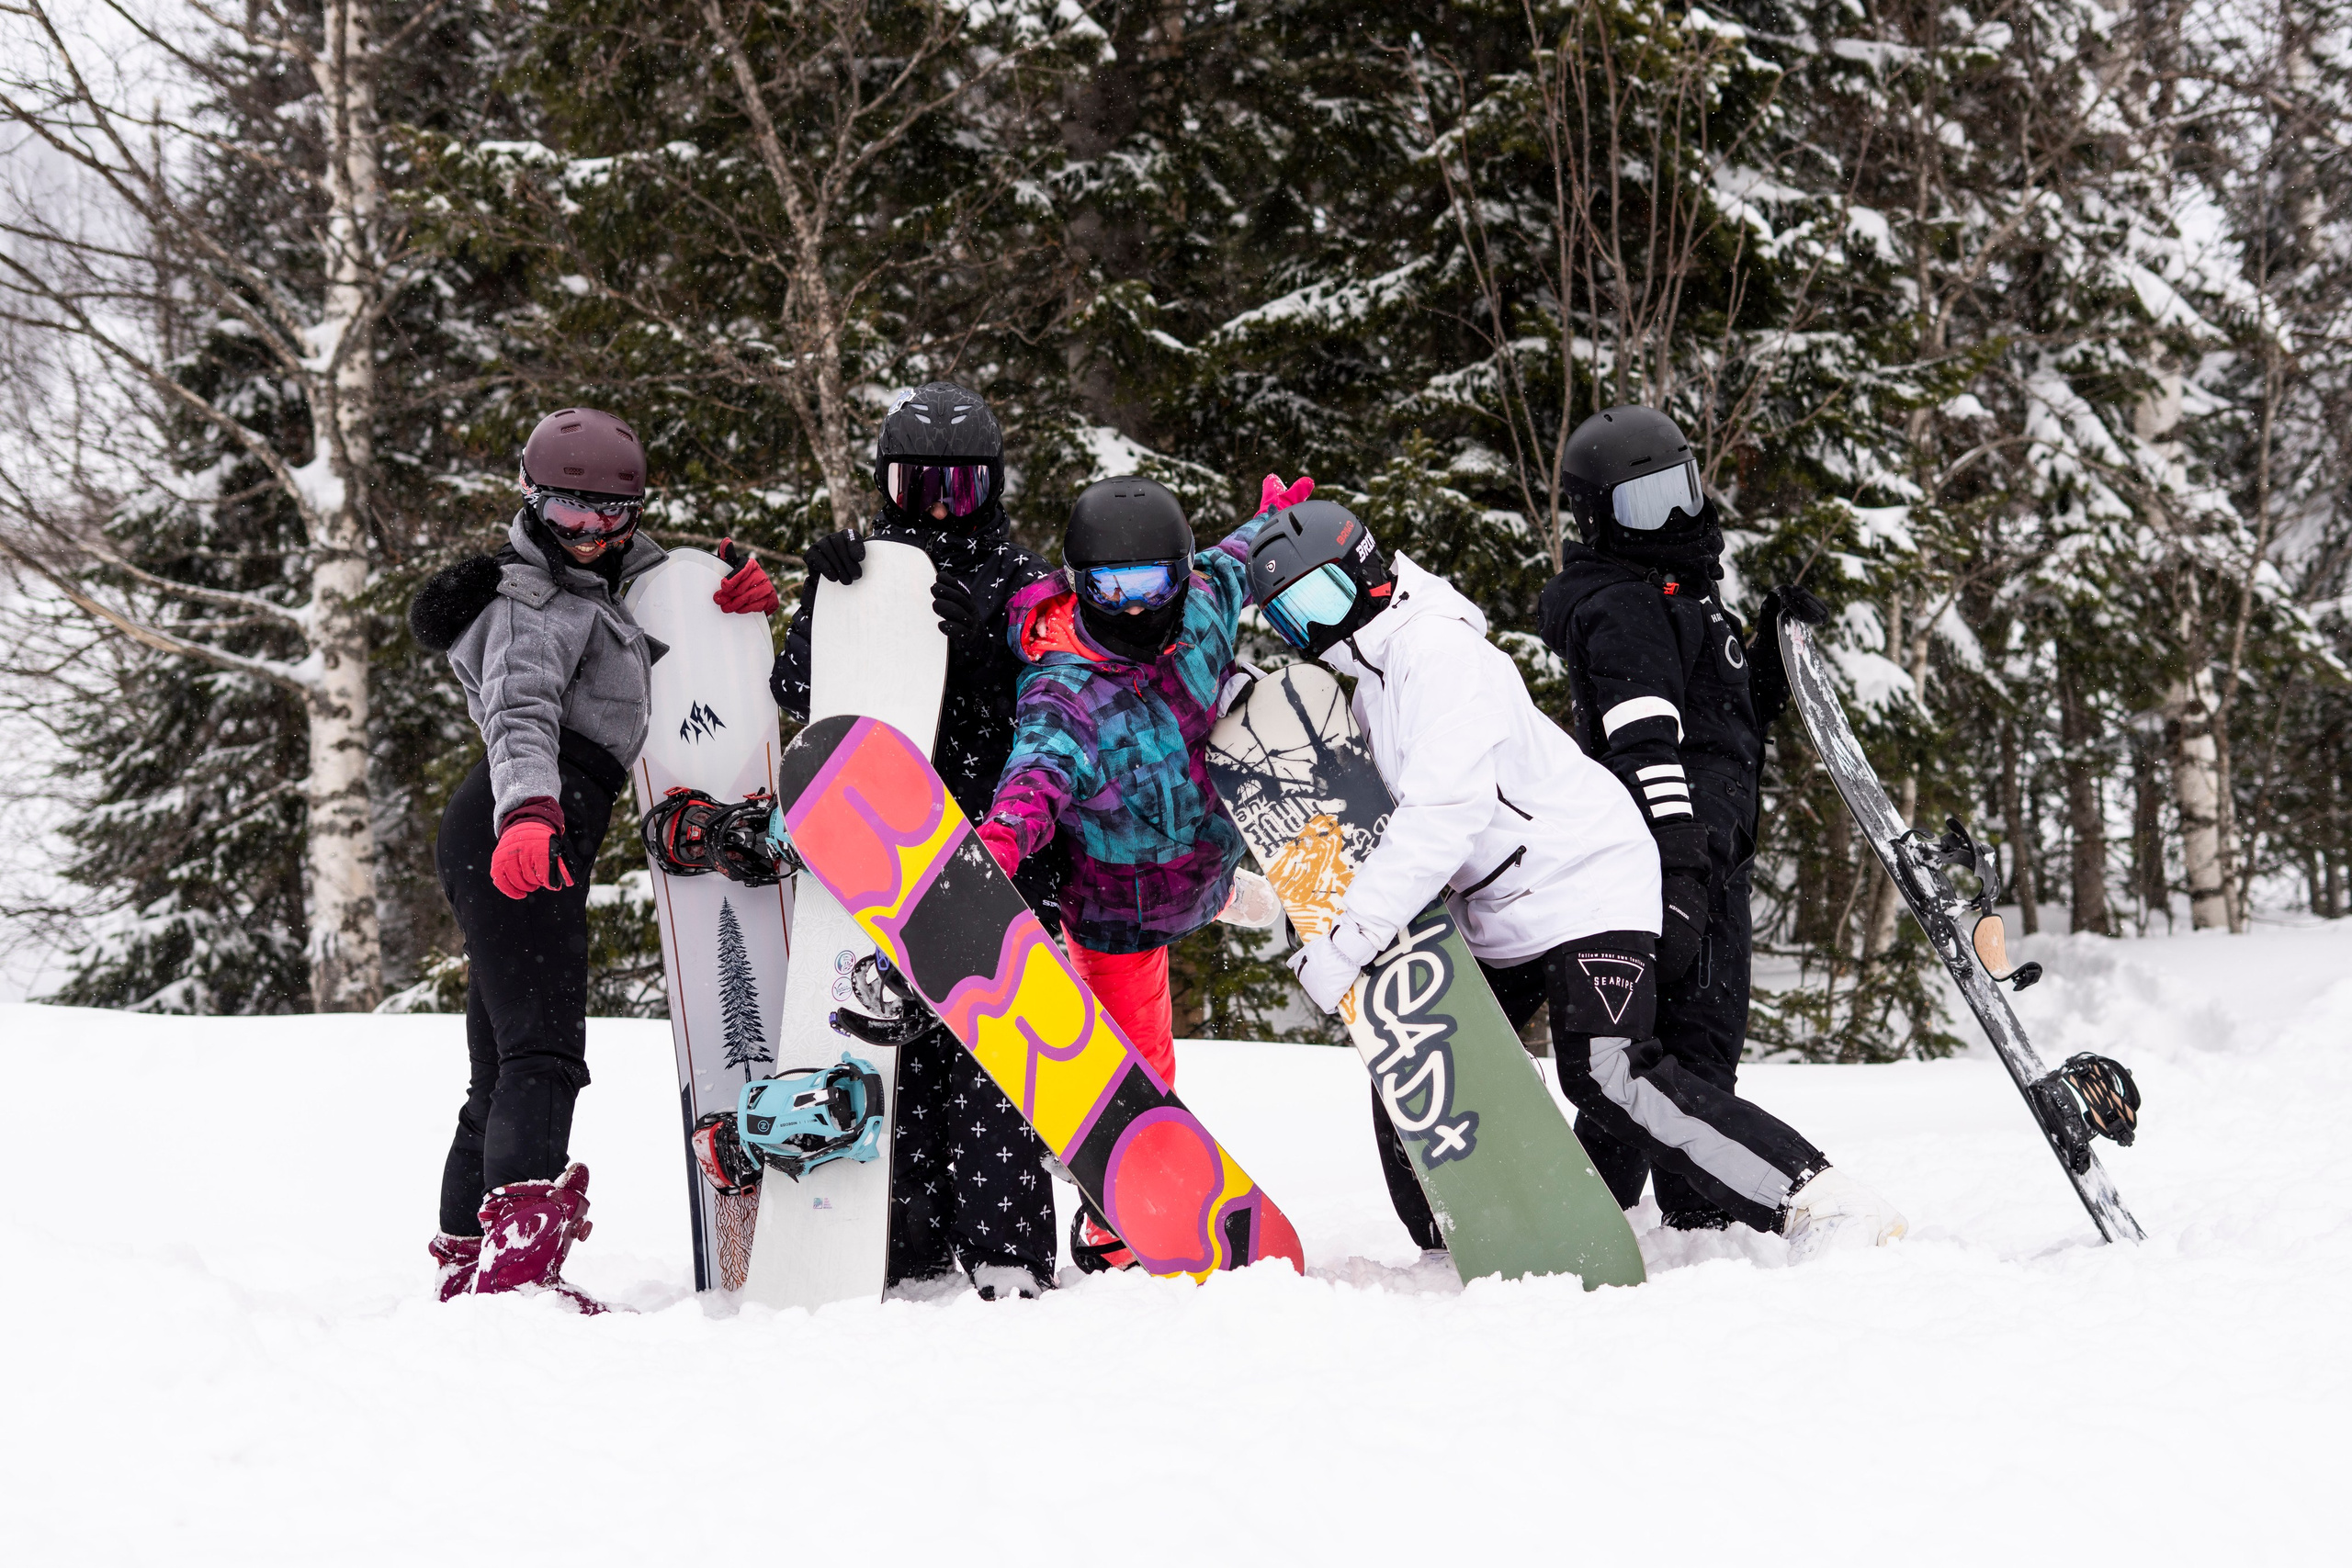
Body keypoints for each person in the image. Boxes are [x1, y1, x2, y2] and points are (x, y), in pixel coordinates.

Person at [1250, 493, 1905, 1259]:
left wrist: (1349, 938)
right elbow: (1362, 800)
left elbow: (1441, 816)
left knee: (1607, 1071)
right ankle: (1468, 1229)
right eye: (1291, 616)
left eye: (1320, 597)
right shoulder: (1377, 678)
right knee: (1412, 1046)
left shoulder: (1437, 653)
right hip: (1500, 903)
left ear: (1364, 569)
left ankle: (1815, 1197)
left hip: (1586, 879)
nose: (1314, 626)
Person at [408, 406, 780, 1310]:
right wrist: (531, 816)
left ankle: (471, 1260)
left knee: (499, 1065)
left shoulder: (606, 580)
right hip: (521, 826)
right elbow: (519, 712)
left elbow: (668, 612)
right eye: (570, 515)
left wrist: (726, 596)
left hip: (521, 828)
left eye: (611, 517)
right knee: (543, 1054)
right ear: (531, 502)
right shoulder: (527, 604)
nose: (590, 535)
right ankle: (521, 1273)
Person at [977, 472, 1312, 1271]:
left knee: (1199, 869)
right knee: (1141, 1075)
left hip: (1197, 852)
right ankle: (1111, 1228)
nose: (1133, 606)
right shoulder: (1065, 692)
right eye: (1111, 588)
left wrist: (1273, 520)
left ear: (1178, 575)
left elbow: (1234, 561)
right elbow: (1034, 779)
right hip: (1118, 910)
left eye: (1150, 584)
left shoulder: (1200, 605)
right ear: (1079, 583)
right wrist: (998, 842)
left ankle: (1223, 893)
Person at [771, 381, 1062, 1301]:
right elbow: (797, 694)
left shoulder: (1022, 583)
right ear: (884, 485)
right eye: (917, 485)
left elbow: (1064, 705)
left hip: (995, 841)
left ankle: (1004, 1242)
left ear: (994, 489)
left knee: (991, 1043)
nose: (939, 507)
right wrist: (827, 602)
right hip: (884, 840)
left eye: (959, 489)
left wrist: (987, 650)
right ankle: (904, 1239)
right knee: (895, 1037)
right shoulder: (870, 575)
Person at [1534, 403, 1836, 1232]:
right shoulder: (1624, 604)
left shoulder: (1684, 597)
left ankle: (1591, 1209)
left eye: (1679, 491)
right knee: (1690, 1046)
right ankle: (1704, 1218)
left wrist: (1770, 657)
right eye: (1643, 505)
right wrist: (1680, 864)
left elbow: (1720, 725)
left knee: (1677, 1045)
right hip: (1677, 852)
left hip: (1711, 847)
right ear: (1600, 519)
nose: (1671, 519)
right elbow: (1648, 745)